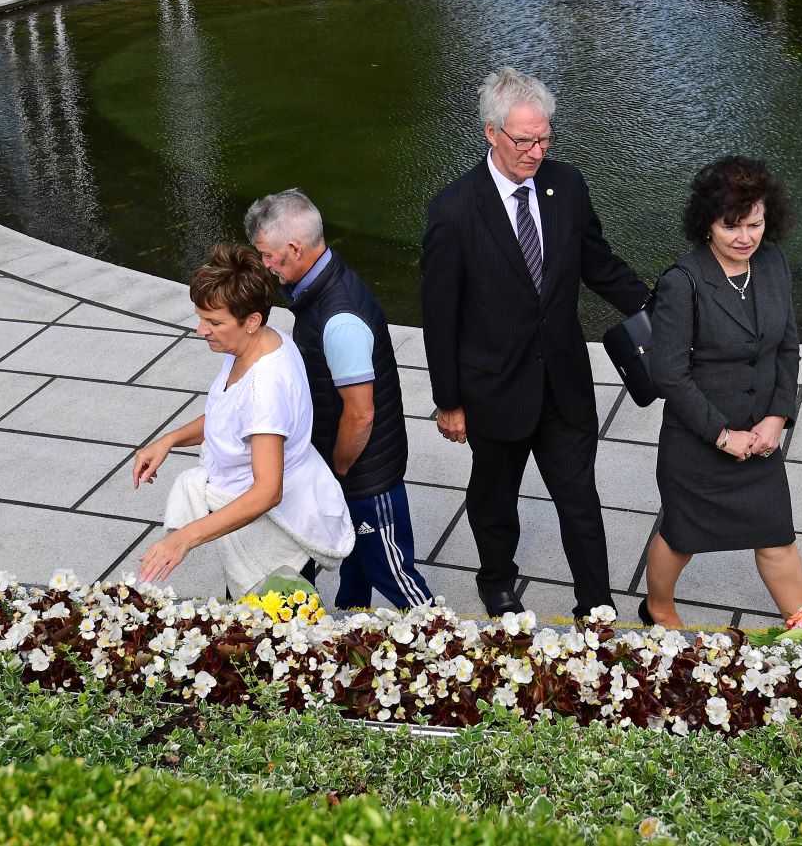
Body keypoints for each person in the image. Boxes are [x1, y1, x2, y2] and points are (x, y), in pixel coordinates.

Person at [421, 66, 649, 619]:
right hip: (494, 388)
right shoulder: (454, 210)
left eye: (545, 137)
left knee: (581, 502)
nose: (536, 151)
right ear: (490, 133)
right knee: (495, 498)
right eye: (524, 140)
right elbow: (439, 315)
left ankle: (595, 604)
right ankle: (497, 580)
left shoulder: (566, 185)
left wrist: (657, 309)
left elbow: (598, 263)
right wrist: (449, 401)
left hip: (564, 383)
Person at [245, 190, 433, 610]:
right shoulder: (321, 290)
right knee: (354, 565)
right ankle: (352, 629)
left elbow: (361, 413)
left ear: (294, 249)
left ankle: (447, 644)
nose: (266, 266)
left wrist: (340, 467)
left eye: (269, 256)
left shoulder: (339, 317)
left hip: (364, 474)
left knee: (394, 574)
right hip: (349, 468)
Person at [642, 155, 802, 629]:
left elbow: (787, 347)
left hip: (760, 438)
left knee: (777, 537)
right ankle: (657, 608)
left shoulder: (773, 263)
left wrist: (777, 416)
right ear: (706, 224)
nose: (745, 238)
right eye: (731, 226)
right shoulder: (683, 282)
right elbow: (669, 375)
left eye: (754, 224)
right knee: (681, 536)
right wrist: (722, 436)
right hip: (699, 438)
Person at [134, 244, 355, 596]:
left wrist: (185, 538)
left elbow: (268, 492)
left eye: (214, 322)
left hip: (274, 537)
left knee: (280, 640)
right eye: (201, 317)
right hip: (247, 521)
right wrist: (169, 440)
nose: (200, 330)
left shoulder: (265, 387)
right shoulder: (262, 341)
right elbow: (230, 415)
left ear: (251, 320)